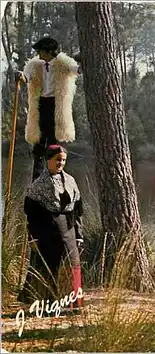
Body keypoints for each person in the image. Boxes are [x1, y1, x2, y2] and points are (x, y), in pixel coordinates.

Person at [17, 145, 84, 308]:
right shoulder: (38, 185)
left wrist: (79, 235)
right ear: (48, 161)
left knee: (71, 265)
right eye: (57, 160)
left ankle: (72, 304)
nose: (60, 163)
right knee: (47, 266)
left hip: (68, 229)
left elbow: (77, 210)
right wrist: (33, 237)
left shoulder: (70, 181)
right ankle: (46, 304)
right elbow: (32, 215)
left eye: (63, 160)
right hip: (47, 232)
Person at [15, 37, 80, 181]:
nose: (39, 54)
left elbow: (77, 70)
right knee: (38, 143)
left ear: (49, 51)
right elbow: (25, 77)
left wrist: (83, 58)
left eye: (41, 51)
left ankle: (54, 179)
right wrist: (20, 76)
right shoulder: (34, 65)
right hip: (40, 106)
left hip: (56, 107)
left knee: (54, 144)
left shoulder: (63, 63)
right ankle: (36, 180)